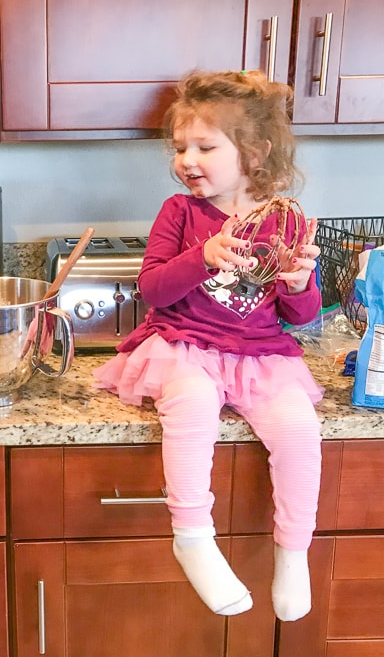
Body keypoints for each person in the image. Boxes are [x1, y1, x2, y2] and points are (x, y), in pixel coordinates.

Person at [94, 69, 323, 622]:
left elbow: (301, 316)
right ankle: (193, 536)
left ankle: (293, 551)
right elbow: (152, 289)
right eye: (180, 148)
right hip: (184, 346)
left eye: (205, 146)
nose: (187, 160)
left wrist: (299, 285)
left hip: (261, 357)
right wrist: (204, 256)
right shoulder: (181, 213)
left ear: (255, 152)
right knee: (192, 400)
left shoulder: (281, 223)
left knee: (298, 428)